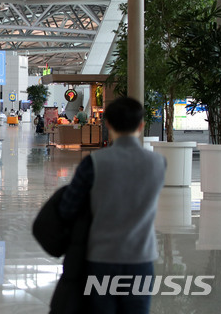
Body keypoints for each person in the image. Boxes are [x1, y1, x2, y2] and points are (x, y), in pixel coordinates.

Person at [57, 97, 166, 313]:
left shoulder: (94, 163)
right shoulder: (158, 163)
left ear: (108, 124)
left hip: (101, 258)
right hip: (141, 258)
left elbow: (67, 209)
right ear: (141, 125)